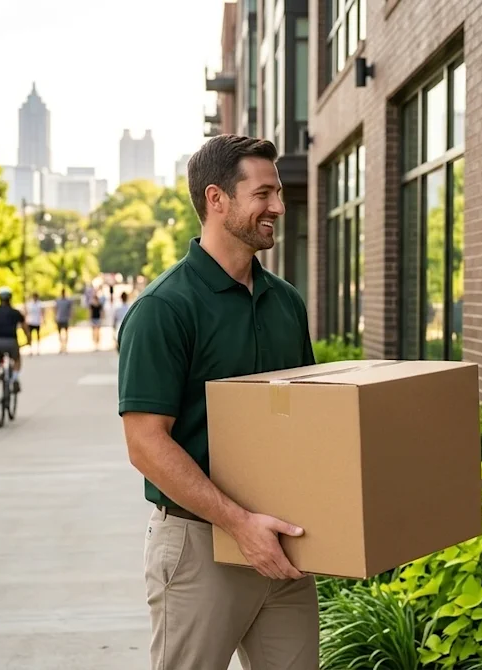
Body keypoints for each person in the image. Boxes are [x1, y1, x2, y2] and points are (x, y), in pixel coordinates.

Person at [118, 134, 318, 669]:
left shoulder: (285, 302)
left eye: (278, 193)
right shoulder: (164, 308)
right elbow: (144, 444)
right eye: (263, 193)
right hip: (198, 546)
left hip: (283, 544)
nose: (278, 206)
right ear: (216, 199)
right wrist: (237, 524)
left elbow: (306, 418)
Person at [0, 287, 30, 413]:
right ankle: (14, 378)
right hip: (10, 341)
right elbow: (25, 328)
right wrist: (29, 340)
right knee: (17, 359)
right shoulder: (15, 312)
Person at [54, 289, 75, 354]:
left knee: (66, 333)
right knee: (59, 334)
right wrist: (55, 317)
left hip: (65, 319)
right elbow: (55, 309)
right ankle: (61, 347)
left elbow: (71, 309)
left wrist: (71, 317)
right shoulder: (58, 301)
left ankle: (65, 347)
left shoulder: (68, 301)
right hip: (59, 319)